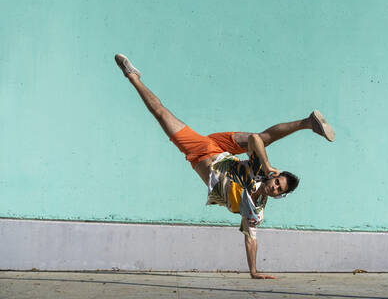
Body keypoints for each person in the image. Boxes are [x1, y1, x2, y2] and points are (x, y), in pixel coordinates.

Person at [114, 54, 335, 279]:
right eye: (277, 182)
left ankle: (132, 76)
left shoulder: (254, 211)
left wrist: (254, 271)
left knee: (161, 114)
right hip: (219, 148)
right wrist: (267, 165)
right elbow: (255, 141)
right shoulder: (260, 173)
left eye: (279, 189)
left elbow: (251, 238)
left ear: (280, 196)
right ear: (273, 178)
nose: (274, 187)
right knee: (261, 138)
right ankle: (308, 122)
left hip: (199, 153)